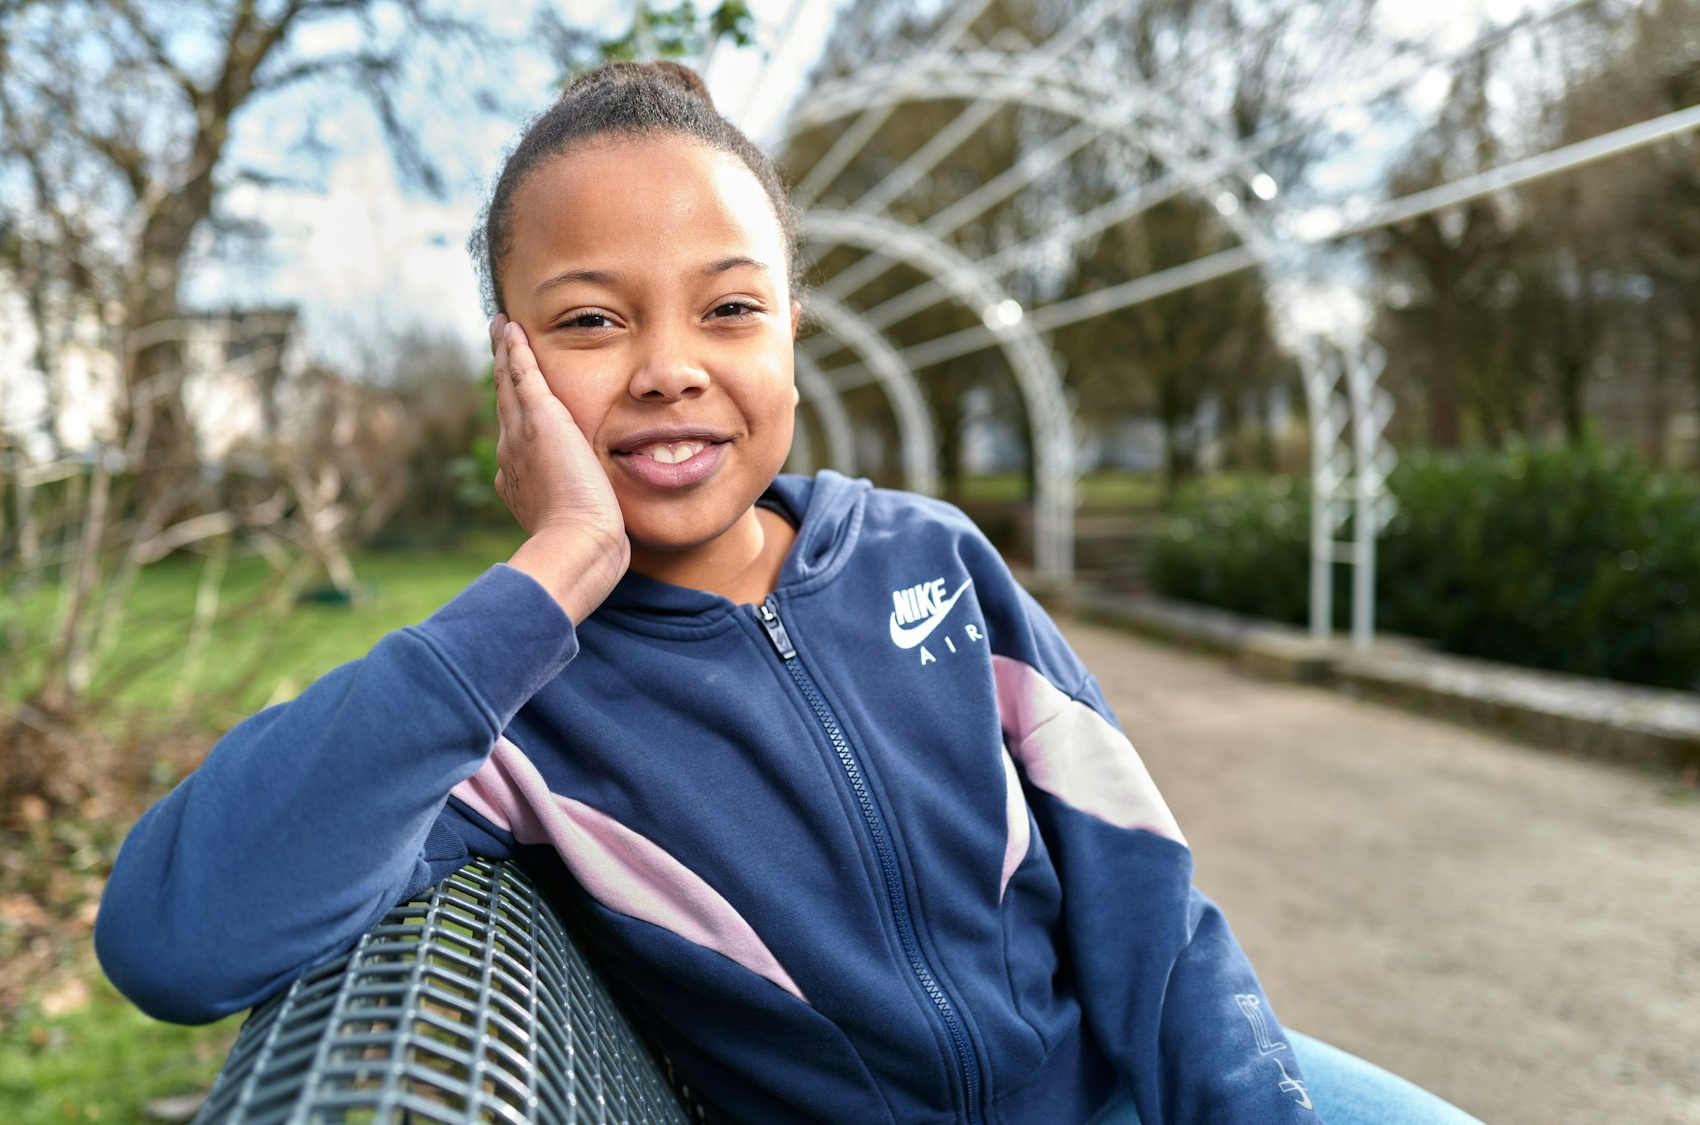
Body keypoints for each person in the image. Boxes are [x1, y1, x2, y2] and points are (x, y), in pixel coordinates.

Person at [95, 61, 1482, 1125]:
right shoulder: (511, 713)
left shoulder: (933, 560)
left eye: (729, 307)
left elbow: (1150, 912)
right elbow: (173, 933)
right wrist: (556, 575)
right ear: (508, 365)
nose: (667, 366)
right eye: (590, 320)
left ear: (793, 335)